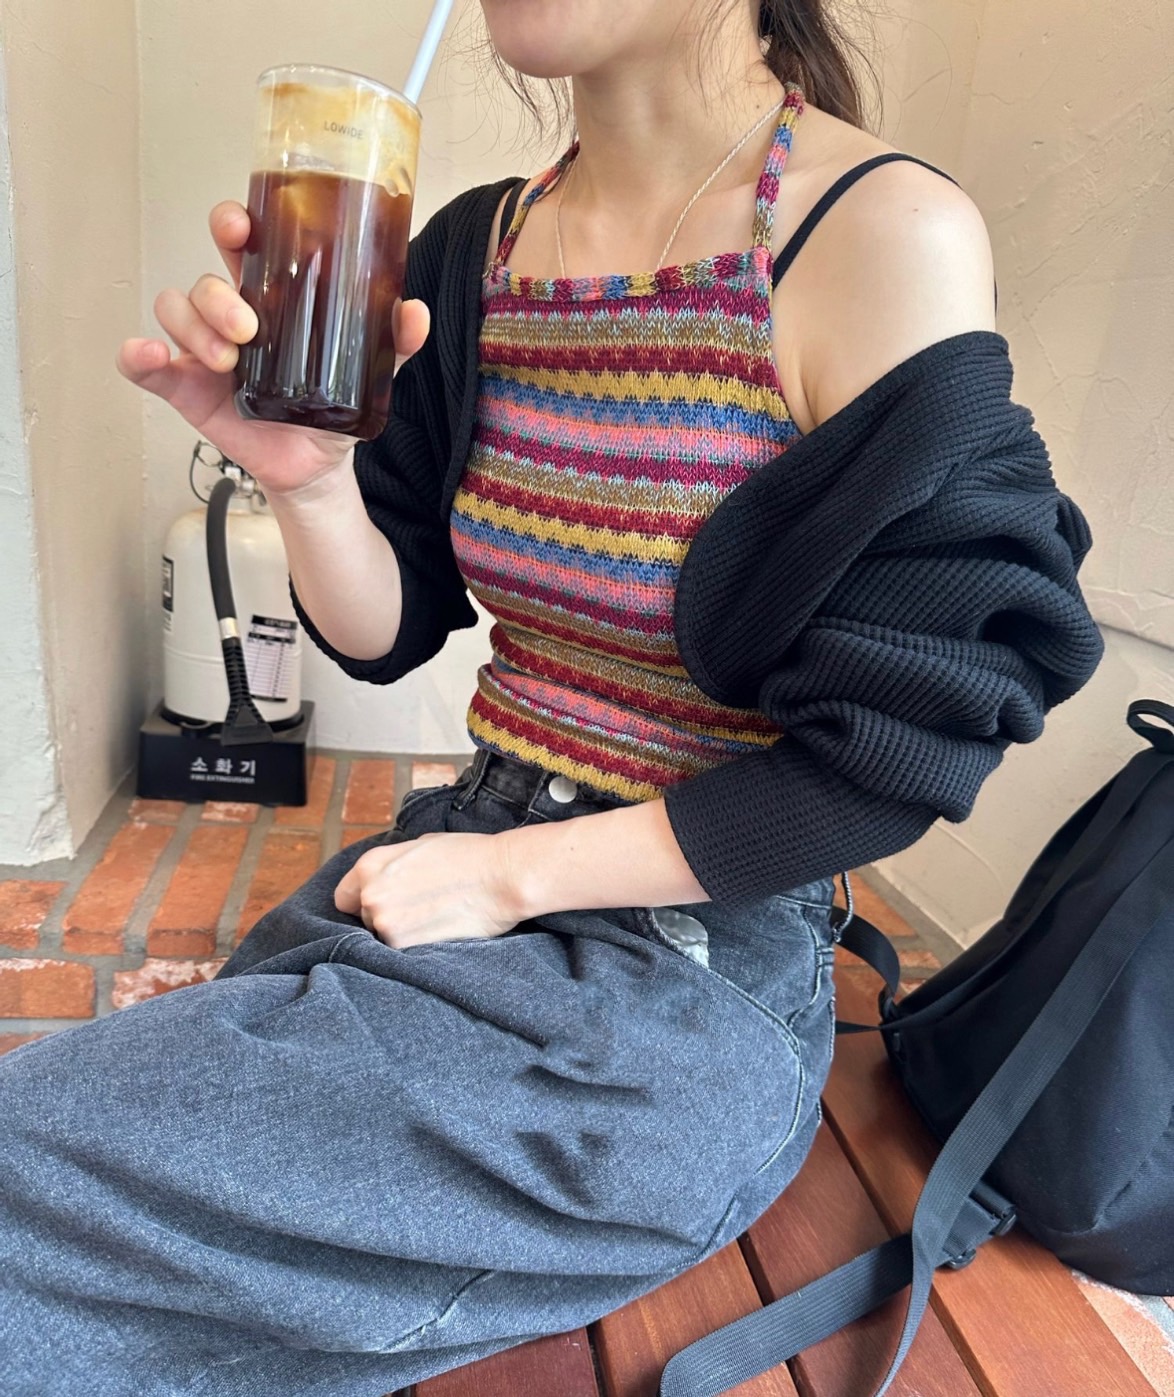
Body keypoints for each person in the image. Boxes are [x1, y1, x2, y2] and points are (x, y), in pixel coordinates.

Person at [0, 1, 1103, 1394]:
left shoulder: (879, 234)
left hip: (669, 996)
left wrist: (510, 878)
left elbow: (898, 753)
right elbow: (389, 629)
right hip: (461, 865)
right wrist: (310, 484)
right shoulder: (474, 248)